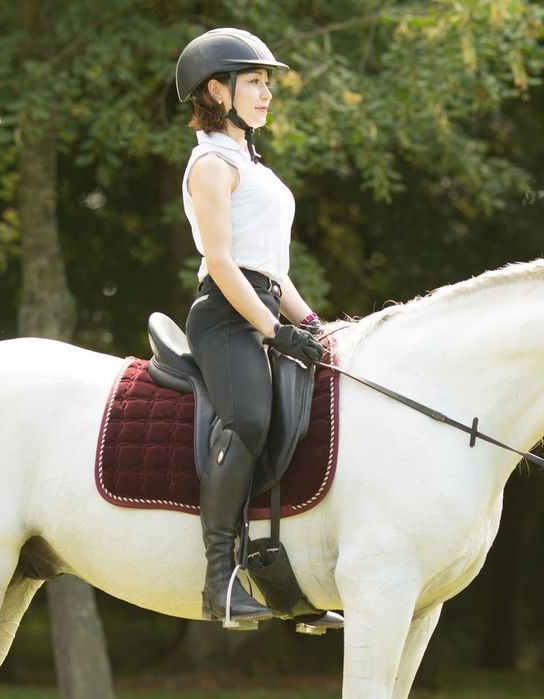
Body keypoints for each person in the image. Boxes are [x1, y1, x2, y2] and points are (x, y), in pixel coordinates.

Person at [175, 28, 328, 628]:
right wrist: (271, 329)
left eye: (267, 83)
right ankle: (219, 580)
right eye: (256, 82)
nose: (267, 94)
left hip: (261, 306)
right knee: (250, 418)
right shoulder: (211, 165)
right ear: (218, 90)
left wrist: (312, 324)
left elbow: (270, 268)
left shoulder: (250, 163)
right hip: (225, 318)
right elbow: (221, 262)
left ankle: (285, 573)